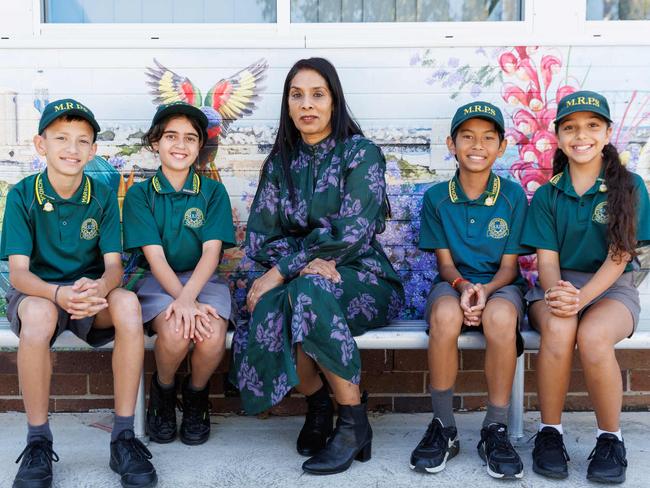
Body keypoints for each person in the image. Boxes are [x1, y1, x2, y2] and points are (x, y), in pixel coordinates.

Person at [230, 57, 404, 475]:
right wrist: (303, 264)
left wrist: (287, 267)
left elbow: (353, 232)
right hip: (307, 280)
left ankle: (353, 423)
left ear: (334, 101)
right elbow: (259, 237)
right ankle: (319, 405)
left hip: (365, 279)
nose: (307, 104)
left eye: (317, 94)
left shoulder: (361, 154)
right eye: (297, 95)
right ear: (288, 105)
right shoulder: (280, 163)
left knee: (303, 293)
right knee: (282, 299)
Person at [1, 99, 157, 488]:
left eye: (82, 141)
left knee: (128, 305)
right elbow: (19, 274)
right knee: (37, 316)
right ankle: (38, 442)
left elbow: (113, 267)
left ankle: (123, 437)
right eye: (61, 138)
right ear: (41, 145)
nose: (71, 149)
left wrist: (101, 287)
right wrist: (58, 294)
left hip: (89, 295)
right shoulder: (22, 195)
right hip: (41, 294)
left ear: (93, 150)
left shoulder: (102, 195)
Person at [522, 90, 650, 484]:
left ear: (608, 132)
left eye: (593, 126)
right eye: (571, 127)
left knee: (593, 336)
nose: (582, 135)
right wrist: (559, 295)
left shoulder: (630, 187)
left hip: (612, 289)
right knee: (559, 329)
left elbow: (621, 256)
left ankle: (610, 440)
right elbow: (546, 259)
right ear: (558, 136)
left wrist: (582, 299)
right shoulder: (548, 193)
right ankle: (550, 434)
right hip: (558, 286)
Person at [411, 101, 528, 479]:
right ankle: (443, 427)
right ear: (451, 144)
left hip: (500, 285)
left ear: (501, 146)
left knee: (500, 317)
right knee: (445, 315)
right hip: (453, 284)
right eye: (467, 137)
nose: (477, 145)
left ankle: (494, 428)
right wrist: (463, 288)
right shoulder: (436, 197)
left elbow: (510, 269)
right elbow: (445, 265)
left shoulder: (512, 196)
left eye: (488, 138)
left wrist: (485, 291)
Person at [122, 101, 236, 446]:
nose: (180, 145)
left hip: (203, 279)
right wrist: (183, 301)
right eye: (171, 136)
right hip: (159, 280)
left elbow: (211, 253)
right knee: (174, 334)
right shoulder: (140, 194)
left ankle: (196, 396)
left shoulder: (212, 191)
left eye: (190, 138)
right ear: (155, 142)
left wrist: (191, 298)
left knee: (211, 335)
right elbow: (154, 258)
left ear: (200, 146)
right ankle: (164, 392)